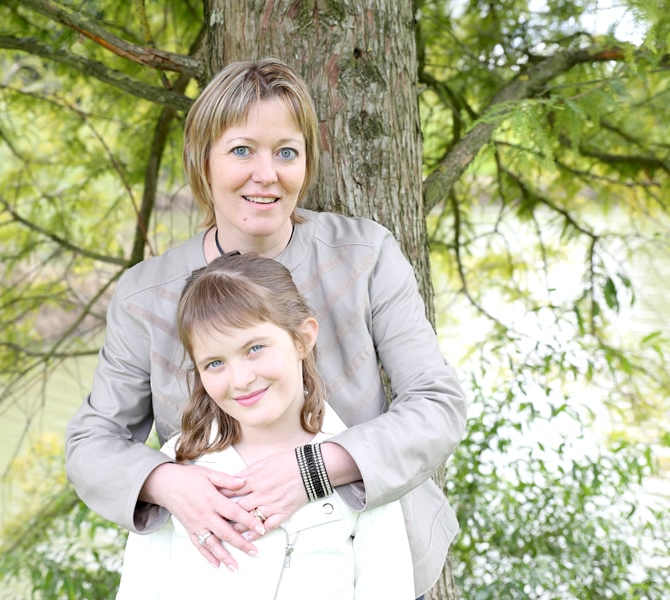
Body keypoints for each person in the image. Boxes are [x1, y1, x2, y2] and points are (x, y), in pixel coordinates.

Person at [65, 57, 467, 597]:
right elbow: (92, 444)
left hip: (369, 559)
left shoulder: (366, 255)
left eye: (286, 152)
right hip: (224, 575)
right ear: (201, 161)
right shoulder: (146, 296)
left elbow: (437, 404)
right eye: (240, 151)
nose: (266, 174)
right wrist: (168, 482)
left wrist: (316, 469)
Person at [116, 252, 414, 599]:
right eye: (214, 363)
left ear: (302, 339)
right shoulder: (181, 464)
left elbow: (387, 586)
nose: (240, 379)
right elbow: (141, 587)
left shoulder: (356, 463)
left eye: (255, 348)